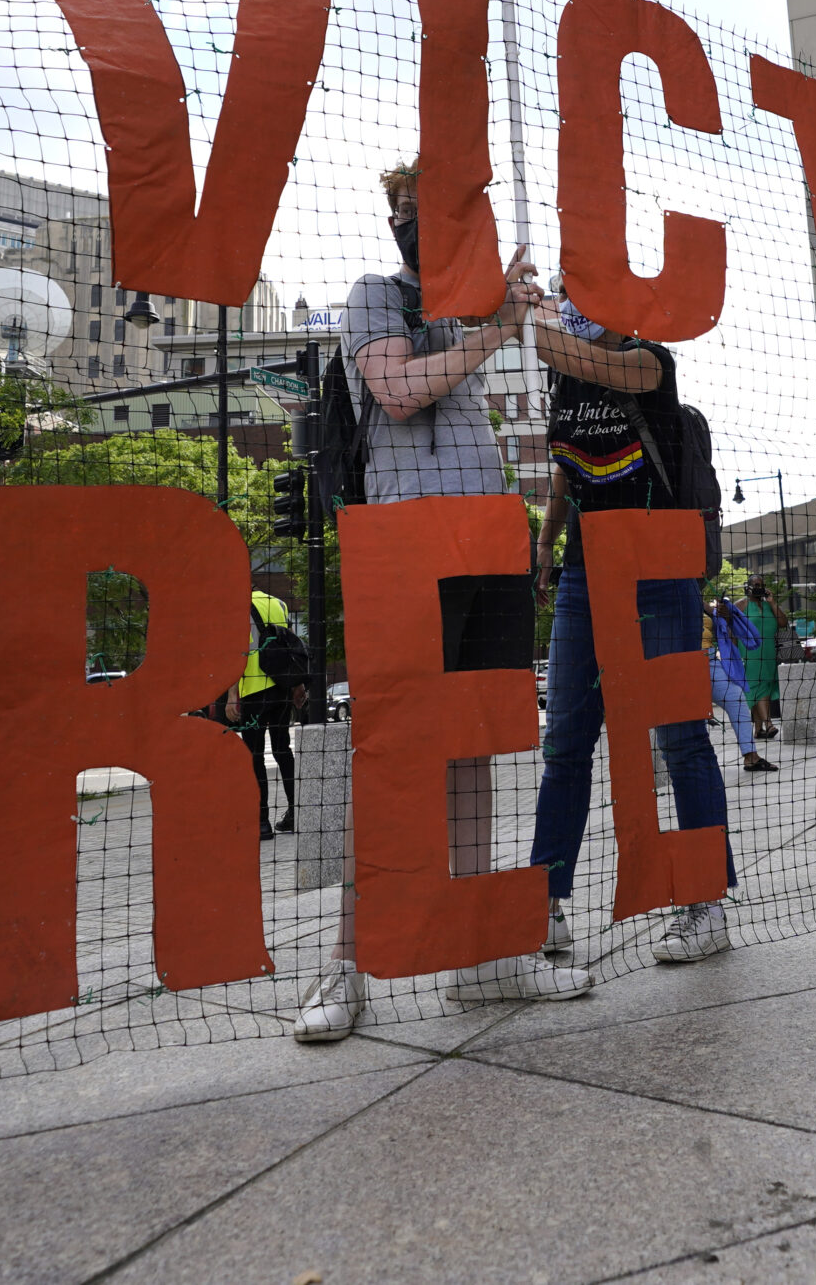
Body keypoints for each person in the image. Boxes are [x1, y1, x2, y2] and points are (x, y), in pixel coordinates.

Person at [295, 163, 589, 1044]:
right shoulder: (376, 295)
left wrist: (526, 313)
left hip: (483, 542)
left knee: (475, 752)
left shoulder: (476, 305)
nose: (441, 226)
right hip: (405, 547)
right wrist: (495, 331)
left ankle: (482, 957)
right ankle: (346, 966)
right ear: (398, 217)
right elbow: (397, 389)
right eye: (423, 211)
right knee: (394, 759)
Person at [528, 295, 737, 965]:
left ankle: (704, 903)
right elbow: (566, 479)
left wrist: (526, 319)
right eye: (569, 294)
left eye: (587, 293)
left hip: (659, 565)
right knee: (564, 739)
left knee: (679, 735)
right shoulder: (567, 379)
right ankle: (545, 906)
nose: (575, 305)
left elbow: (570, 352)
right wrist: (545, 546)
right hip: (587, 573)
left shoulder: (652, 361)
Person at [235, 588, 306, 839]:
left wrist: (232, 695)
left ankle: (261, 821)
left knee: (254, 756)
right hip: (281, 686)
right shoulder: (278, 603)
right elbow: (291, 644)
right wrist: (298, 683)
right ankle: (296, 812)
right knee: (282, 750)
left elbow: (236, 652)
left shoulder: (235, 605)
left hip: (252, 689)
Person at [707, 594, 777, 773]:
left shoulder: (698, 599)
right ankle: (702, 763)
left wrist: (725, 614)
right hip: (683, 663)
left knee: (737, 699)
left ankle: (751, 756)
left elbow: (721, 625)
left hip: (709, 660)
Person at [743, 578, 789, 739]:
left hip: (769, 653)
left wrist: (772, 602)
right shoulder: (741, 605)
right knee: (759, 686)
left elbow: (783, 623)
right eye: (755, 585)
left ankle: (758, 729)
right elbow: (730, 627)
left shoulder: (769, 605)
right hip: (750, 653)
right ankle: (768, 724)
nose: (759, 587)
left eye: (761, 585)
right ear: (748, 587)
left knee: (763, 687)